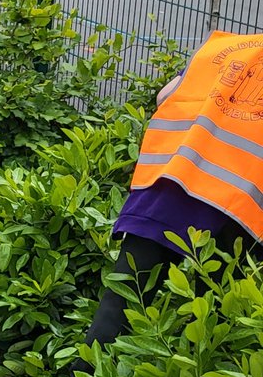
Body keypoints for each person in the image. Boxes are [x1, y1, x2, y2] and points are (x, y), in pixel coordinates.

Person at [83, 31, 263, 352]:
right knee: (214, 317)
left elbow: (164, 96)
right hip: (239, 208)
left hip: (169, 186)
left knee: (121, 303)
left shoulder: (231, 47)